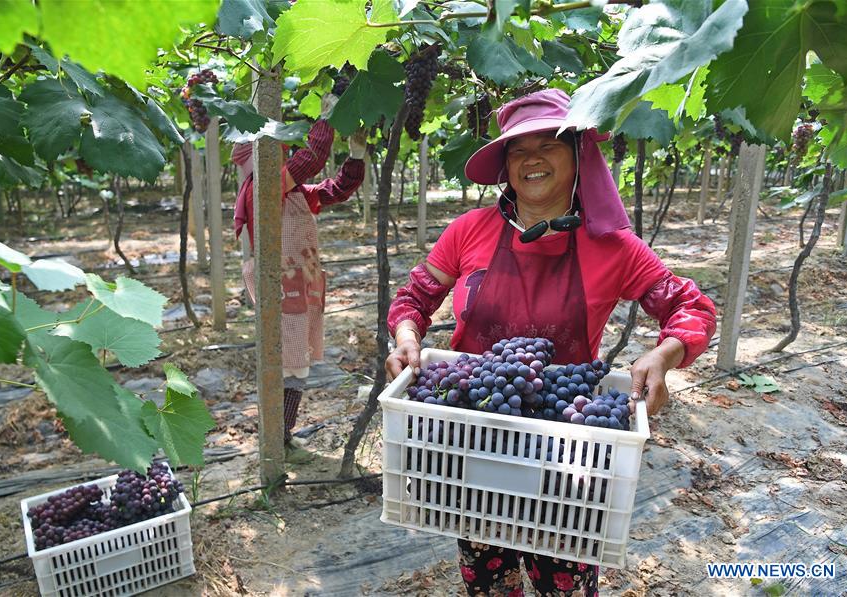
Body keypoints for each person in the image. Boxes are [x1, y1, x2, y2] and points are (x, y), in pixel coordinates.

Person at [385, 89, 717, 596]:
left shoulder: (614, 246)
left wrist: (663, 354)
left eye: (550, 144)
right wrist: (408, 336)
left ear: (579, 154)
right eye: (518, 150)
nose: (532, 159)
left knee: (564, 575)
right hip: (474, 432)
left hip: (566, 438)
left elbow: (691, 308)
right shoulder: (467, 231)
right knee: (488, 576)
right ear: (505, 167)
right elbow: (414, 297)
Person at [232, 93, 368, 456]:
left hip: (296, 284)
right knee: (290, 363)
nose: (286, 154)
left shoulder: (288, 191)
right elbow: (312, 159)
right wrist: (327, 119)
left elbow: (334, 190)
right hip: (282, 287)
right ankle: (278, 436)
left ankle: (280, 433)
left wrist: (355, 156)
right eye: (279, 149)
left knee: (294, 361)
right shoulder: (263, 187)